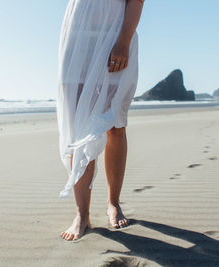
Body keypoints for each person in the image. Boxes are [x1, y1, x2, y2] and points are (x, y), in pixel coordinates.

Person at [56, 0, 145, 241]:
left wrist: (124, 41)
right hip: (76, 36)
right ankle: (81, 214)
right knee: (77, 128)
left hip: (114, 36)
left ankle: (113, 203)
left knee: (115, 124)